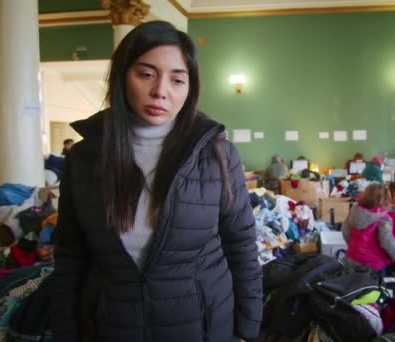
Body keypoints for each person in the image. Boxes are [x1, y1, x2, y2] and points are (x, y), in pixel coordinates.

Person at [51, 21, 262, 342]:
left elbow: (242, 246)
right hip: (111, 325)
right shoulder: (84, 157)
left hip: (202, 325)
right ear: (122, 76)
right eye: (146, 74)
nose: (161, 91)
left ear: (190, 88)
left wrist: (247, 329)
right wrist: (66, 332)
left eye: (177, 79)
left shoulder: (218, 154)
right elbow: (70, 254)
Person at [341, 183, 395, 274]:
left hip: (352, 257)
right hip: (373, 263)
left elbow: (345, 231)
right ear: (386, 199)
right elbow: (386, 240)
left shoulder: (355, 210)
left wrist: (352, 245)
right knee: (374, 287)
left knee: (354, 285)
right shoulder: (384, 218)